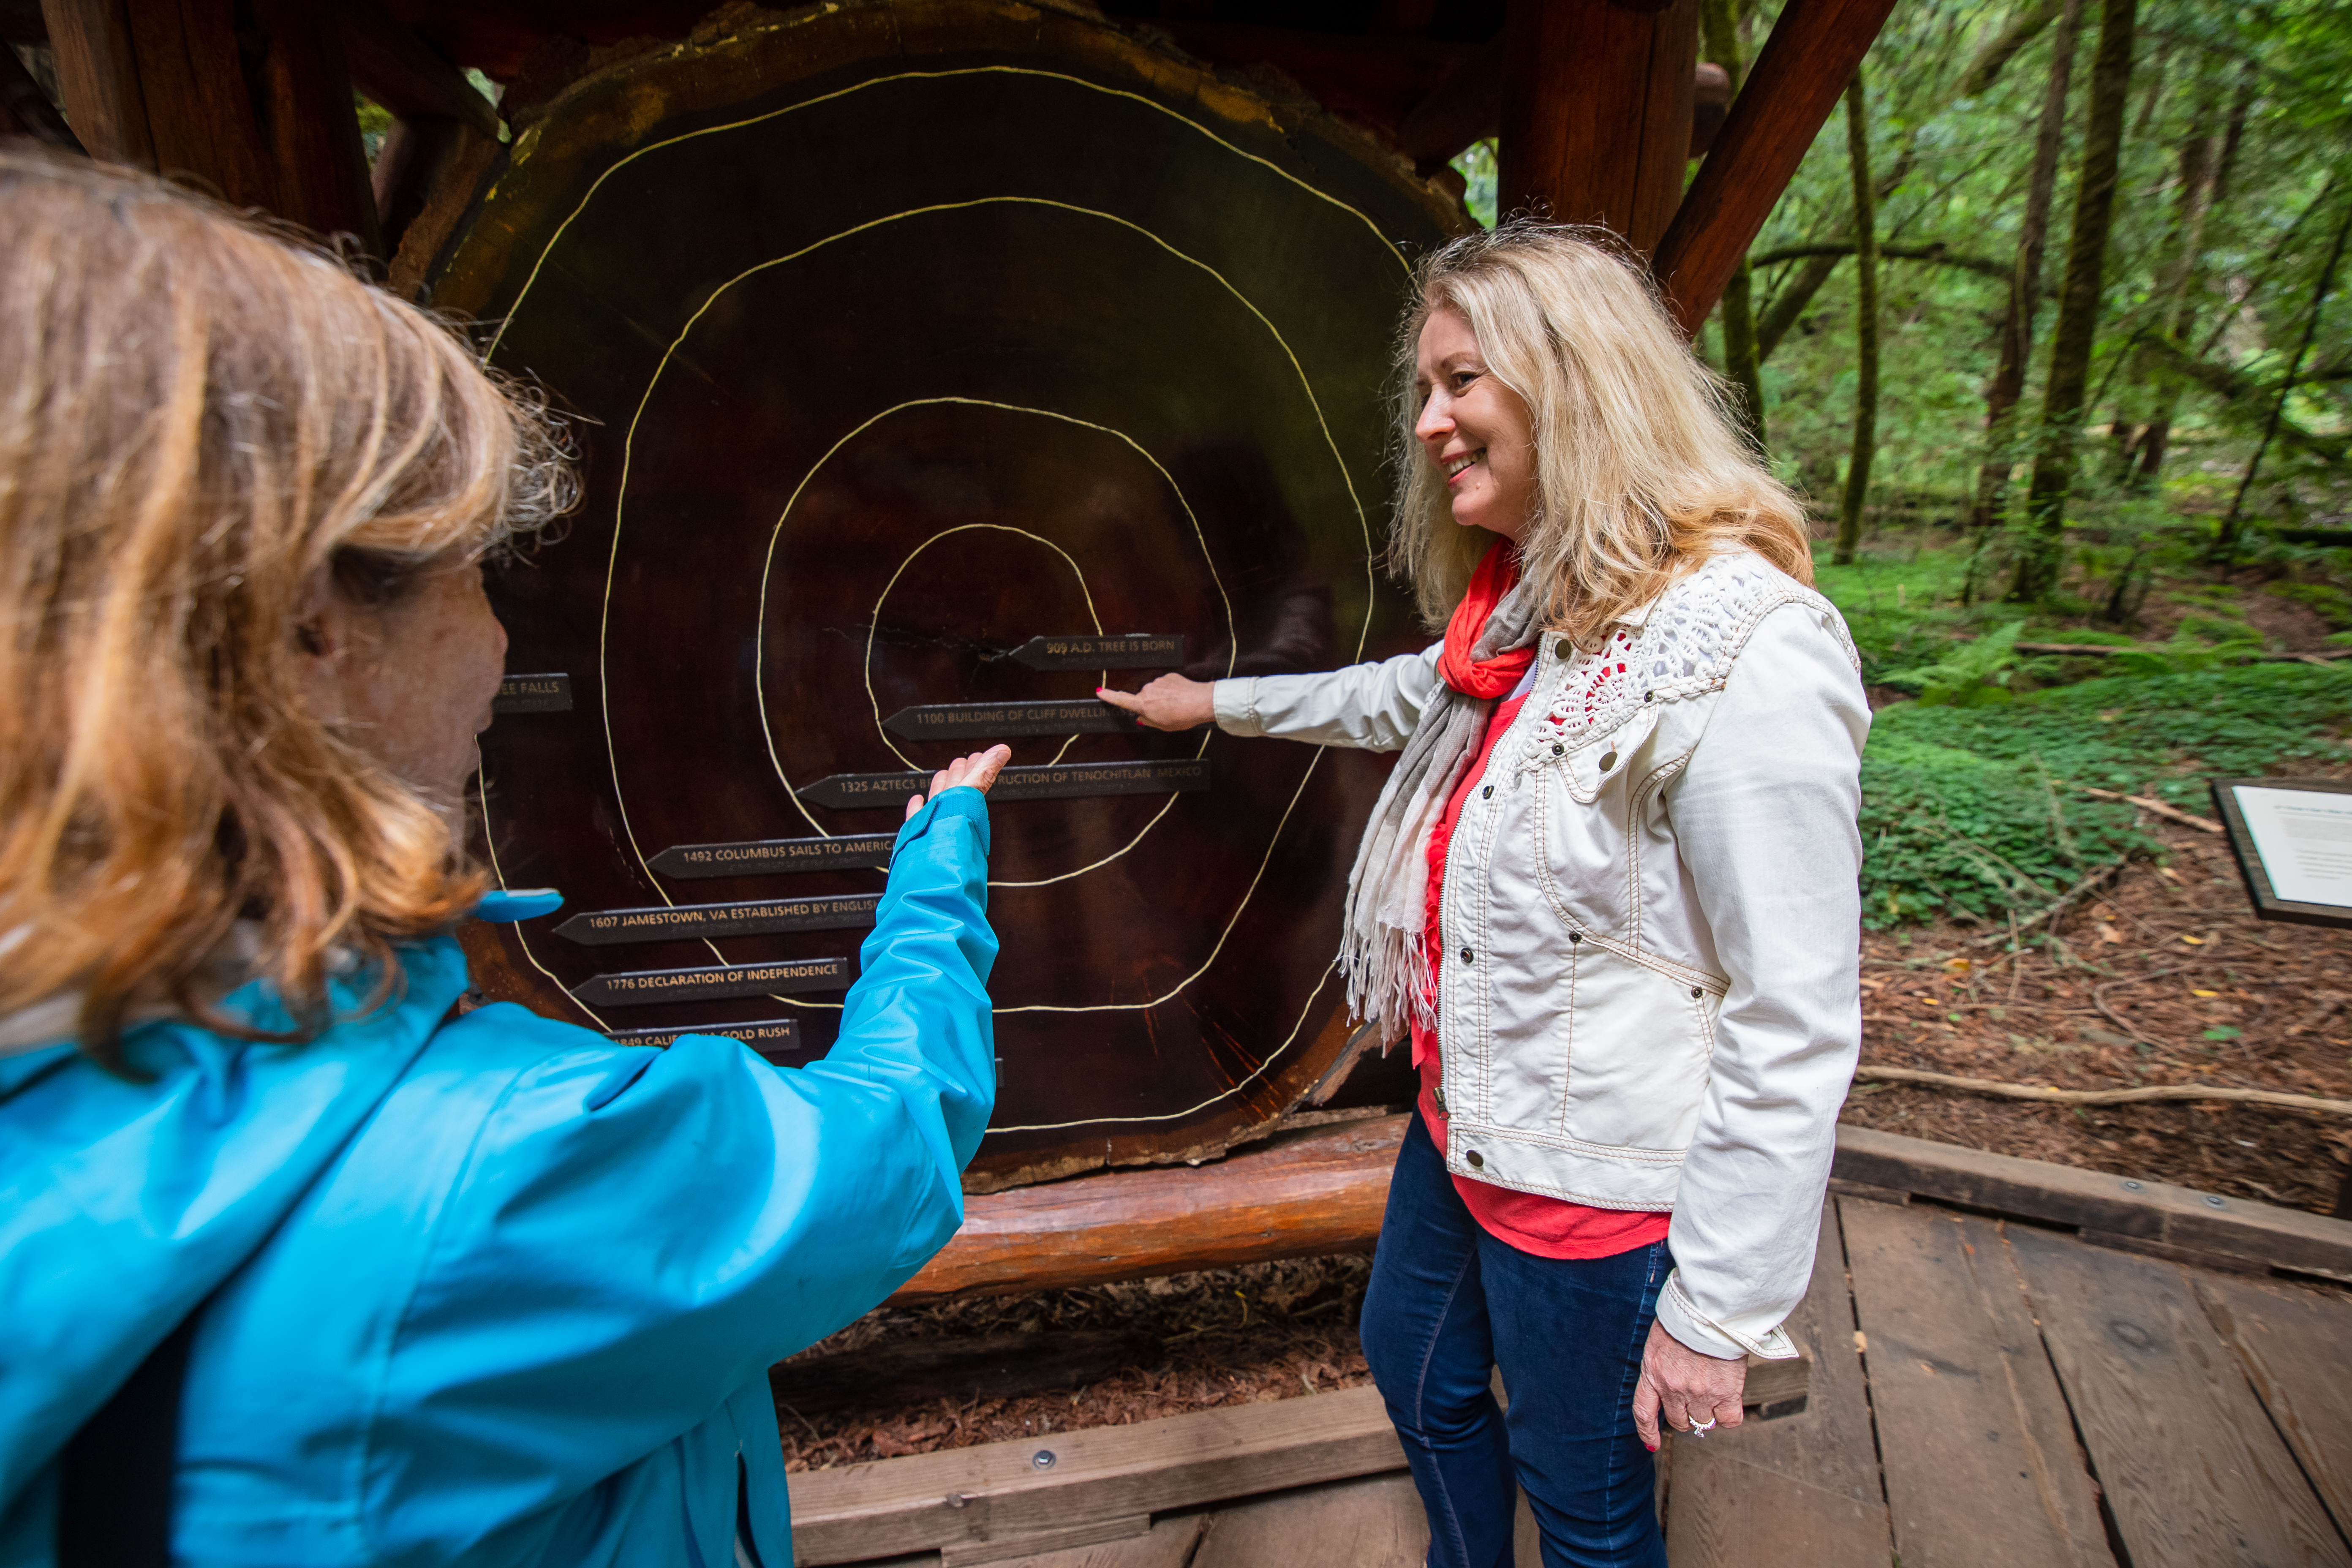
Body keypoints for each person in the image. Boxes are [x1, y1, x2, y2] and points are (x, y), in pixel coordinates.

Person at [0, 147, 1009, 1568]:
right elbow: (889, 1146)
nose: (499, 646)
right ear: (309, 629)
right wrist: (937, 879)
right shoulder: (508, 1172)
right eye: (477, 571)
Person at [1101, 223, 1868, 1567]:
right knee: (1416, 1371)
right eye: (1425, 390)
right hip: (1468, 1132)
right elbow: (1394, 694)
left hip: (1600, 1195)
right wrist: (1206, 703)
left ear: (1571, 381)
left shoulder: (1745, 647)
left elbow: (1797, 1013)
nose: (1431, 422)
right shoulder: (1532, 618)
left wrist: (1720, 1311)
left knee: (1584, 1505)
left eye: (1461, 382)